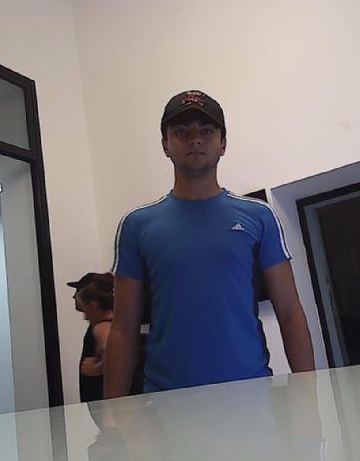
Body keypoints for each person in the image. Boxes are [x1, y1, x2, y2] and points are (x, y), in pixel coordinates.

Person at [105, 90, 315, 397]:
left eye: (206, 131)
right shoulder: (136, 225)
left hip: (251, 395)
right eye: (182, 132)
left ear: (223, 143)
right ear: (165, 144)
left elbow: (290, 312)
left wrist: (310, 397)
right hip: (168, 403)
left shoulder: (259, 217)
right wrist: (112, 412)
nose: (195, 140)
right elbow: (124, 329)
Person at [68, 272, 115, 402]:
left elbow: (114, 354)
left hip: (102, 400)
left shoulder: (102, 327)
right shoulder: (113, 324)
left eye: (77, 291)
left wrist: (95, 369)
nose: (74, 296)